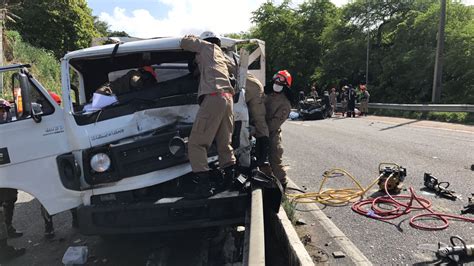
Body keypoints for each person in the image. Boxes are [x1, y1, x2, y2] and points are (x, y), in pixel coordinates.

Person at [180, 31, 236, 198]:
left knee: (196, 144)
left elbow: (184, 42)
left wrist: (191, 37)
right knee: (224, 142)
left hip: (213, 97)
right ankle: (229, 179)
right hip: (227, 98)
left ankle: (204, 186)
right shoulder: (222, 56)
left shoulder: (205, 46)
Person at [264, 70, 292, 189]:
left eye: (281, 82)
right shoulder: (267, 95)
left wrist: (259, 129)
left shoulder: (285, 104)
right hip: (260, 131)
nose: (277, 83)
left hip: (272, 135)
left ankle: (282, 185)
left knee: (275, 161)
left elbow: (274, 124)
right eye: (276, 79)